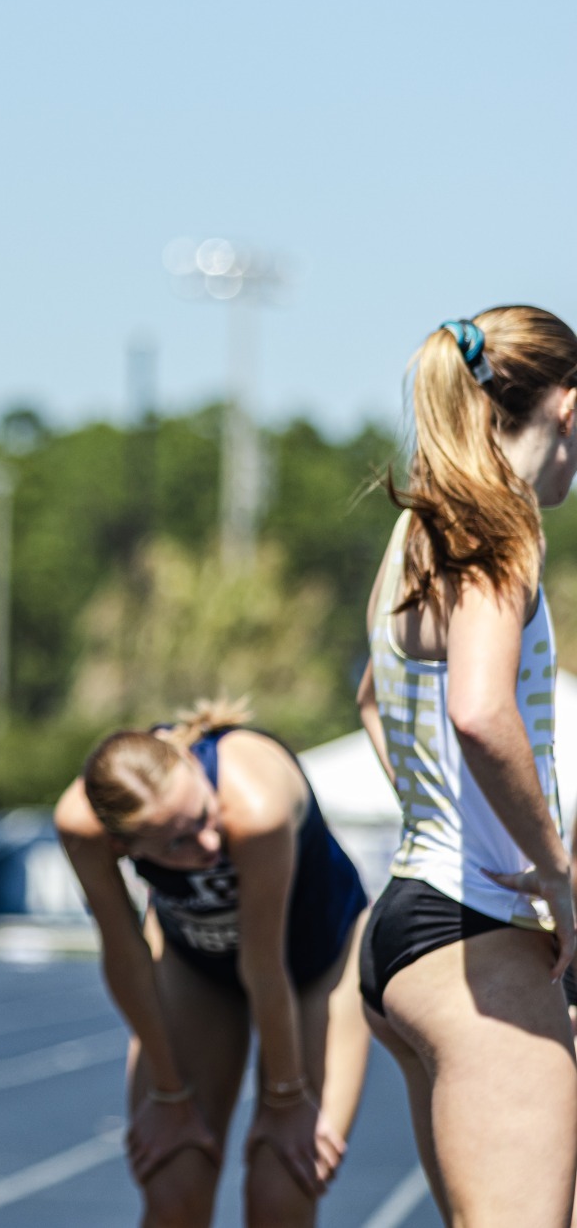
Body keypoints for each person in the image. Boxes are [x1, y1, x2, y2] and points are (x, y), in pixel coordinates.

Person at [355, 307, 577, 1227]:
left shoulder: (421, 530)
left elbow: (373, 698)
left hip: (411, 921)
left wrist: (440, 817)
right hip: (480, 935)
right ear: (569, 407)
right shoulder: (498, 531)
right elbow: (480, 712)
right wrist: (558, 877)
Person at [54, 702, 369, 1228]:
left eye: (203, 814)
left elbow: (265, 965)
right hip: (196, 963)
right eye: (177, 841)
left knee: (283, 1190)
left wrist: (287, 1098)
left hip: (317, 963)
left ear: (193, 769)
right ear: (121, 846)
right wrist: (168, 1092)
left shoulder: (254, 807)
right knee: (173, 1187)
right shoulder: (81, 825)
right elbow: (126, 955)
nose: (209, 842)